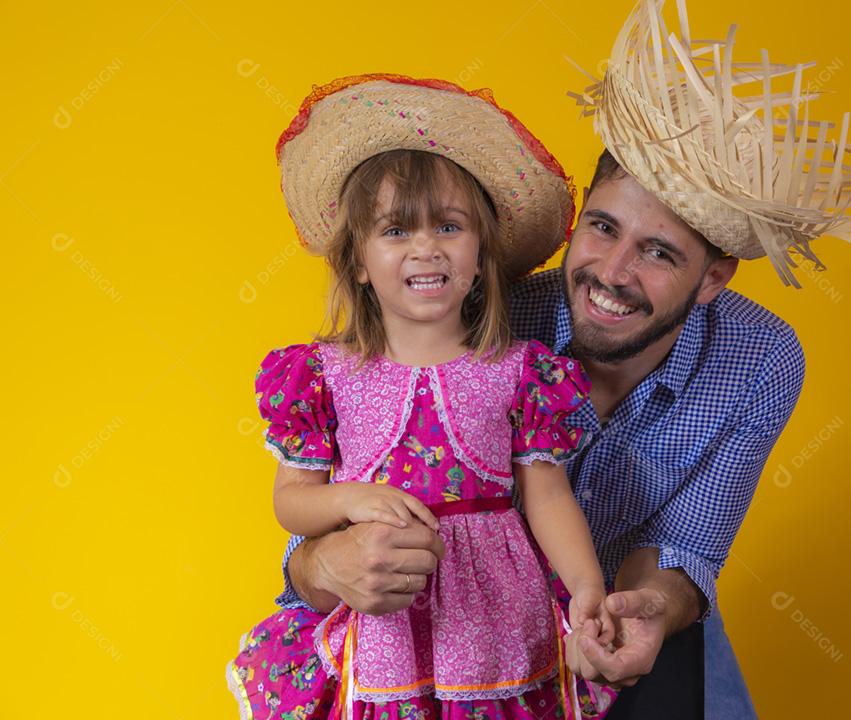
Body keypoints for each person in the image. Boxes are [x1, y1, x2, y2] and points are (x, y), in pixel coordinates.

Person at [279, 1, 851, 715]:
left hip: (608, 625)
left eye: (658, 252)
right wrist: (325, 564)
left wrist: (635, 608)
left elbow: (684, 547)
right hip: (425, 628)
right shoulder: (486, 315)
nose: (611, 273)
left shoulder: (759, 359)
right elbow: (334, 490)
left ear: (712, 278)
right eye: (603, 228)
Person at [227, 73, 621, 720]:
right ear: (357, 262)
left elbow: (547, 496)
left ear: (480, 254)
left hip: (496, 620)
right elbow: (291, 502)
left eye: (448, 226)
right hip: (387, 616)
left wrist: (586, 587)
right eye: (395, 231)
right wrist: (350, 499)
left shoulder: (520, 371)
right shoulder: (324, 374)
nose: (425, 247)